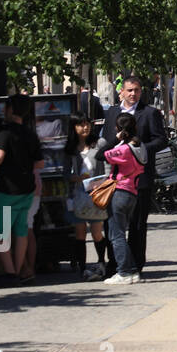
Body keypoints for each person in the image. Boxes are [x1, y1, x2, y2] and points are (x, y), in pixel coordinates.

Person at [99, 75, 168, 278]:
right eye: (129, 90)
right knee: (113, 225)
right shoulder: (113, 112)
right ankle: (116, 264)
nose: (133, 94)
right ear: (122, 91)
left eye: (136, 90)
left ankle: (136, 265)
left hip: (140, 179)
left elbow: (161, 140)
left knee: (138, 224)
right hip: (115, 179)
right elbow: (107, 140)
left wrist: (139, 149)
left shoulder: (149, 113)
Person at [0, 94, 44, 285]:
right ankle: (19, 270)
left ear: (10, 109)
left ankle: (10, 272)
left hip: (7, 189)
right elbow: (40, 163)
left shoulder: (4, 133)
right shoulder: (30, 134)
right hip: (27, 189)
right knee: (21, 230)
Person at [98, 113, 148, 285]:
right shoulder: (140, 146)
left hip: (119, 191)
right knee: (122, 233)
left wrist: (114, 139)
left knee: (116, 235)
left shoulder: (124, 149)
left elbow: (101, 154)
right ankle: (132, 269)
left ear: (118, 129)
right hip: (133, 191)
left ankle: (124, 272)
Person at [65, 113, 109, 281]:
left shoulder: (99, 143)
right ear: (74, 127)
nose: (85, 127)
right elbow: (65, 172)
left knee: (97, 232)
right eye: (80, 124)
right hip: (78, 194)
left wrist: (103, 184)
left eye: (87, 124)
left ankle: (101, 262)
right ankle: (82, 267)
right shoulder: (70, 149)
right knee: (80, 233)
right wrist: (76, 178)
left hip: (96, 194)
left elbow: (107, 167)